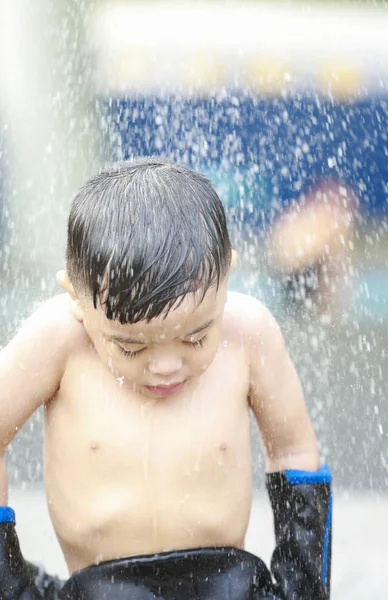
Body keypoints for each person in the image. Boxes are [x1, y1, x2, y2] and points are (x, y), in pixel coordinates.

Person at [0, 158, 332, 599]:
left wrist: (302, 586)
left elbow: (293, 450)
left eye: (195, 339)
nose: (165, 366)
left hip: (229, 585)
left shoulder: (248, 333)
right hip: (100, 588)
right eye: (131, 347)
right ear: (77, 300)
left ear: (226, 278)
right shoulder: (59, 340)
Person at [267, 178, 357, 320]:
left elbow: (278, 241)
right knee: (314, 317)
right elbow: (334, 264)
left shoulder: (301, 211)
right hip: (306, 268)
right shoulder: (336, 218)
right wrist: (334, 304)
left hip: (286, 266)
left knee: (291, 315)